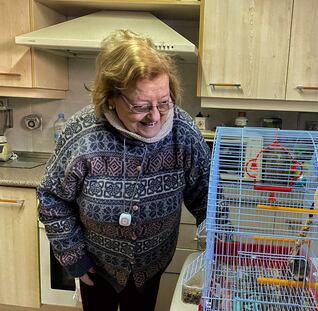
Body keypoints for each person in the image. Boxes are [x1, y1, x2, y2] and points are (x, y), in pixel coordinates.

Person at [37, 29, 211, 311]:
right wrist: (74, 257)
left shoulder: (183, 131)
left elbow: (206, 194)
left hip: (152, 265)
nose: (155, 116)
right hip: (96, 266)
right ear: (110, 98)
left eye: (164, 102)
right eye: (141, 106)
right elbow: (51, 197)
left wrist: (221, 245)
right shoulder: (83, 132)